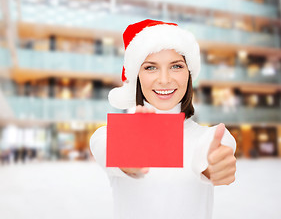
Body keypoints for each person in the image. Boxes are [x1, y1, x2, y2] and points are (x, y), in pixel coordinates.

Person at [90, 19, 236, 219]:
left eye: (176, 66)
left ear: (189, 74)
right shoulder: (107, 135)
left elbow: (213, 158)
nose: (165, 79)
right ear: (137, 76)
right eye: (151, 67)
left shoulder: (211, 137)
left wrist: (215, 167)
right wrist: (128, 157)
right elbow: (107, 150)